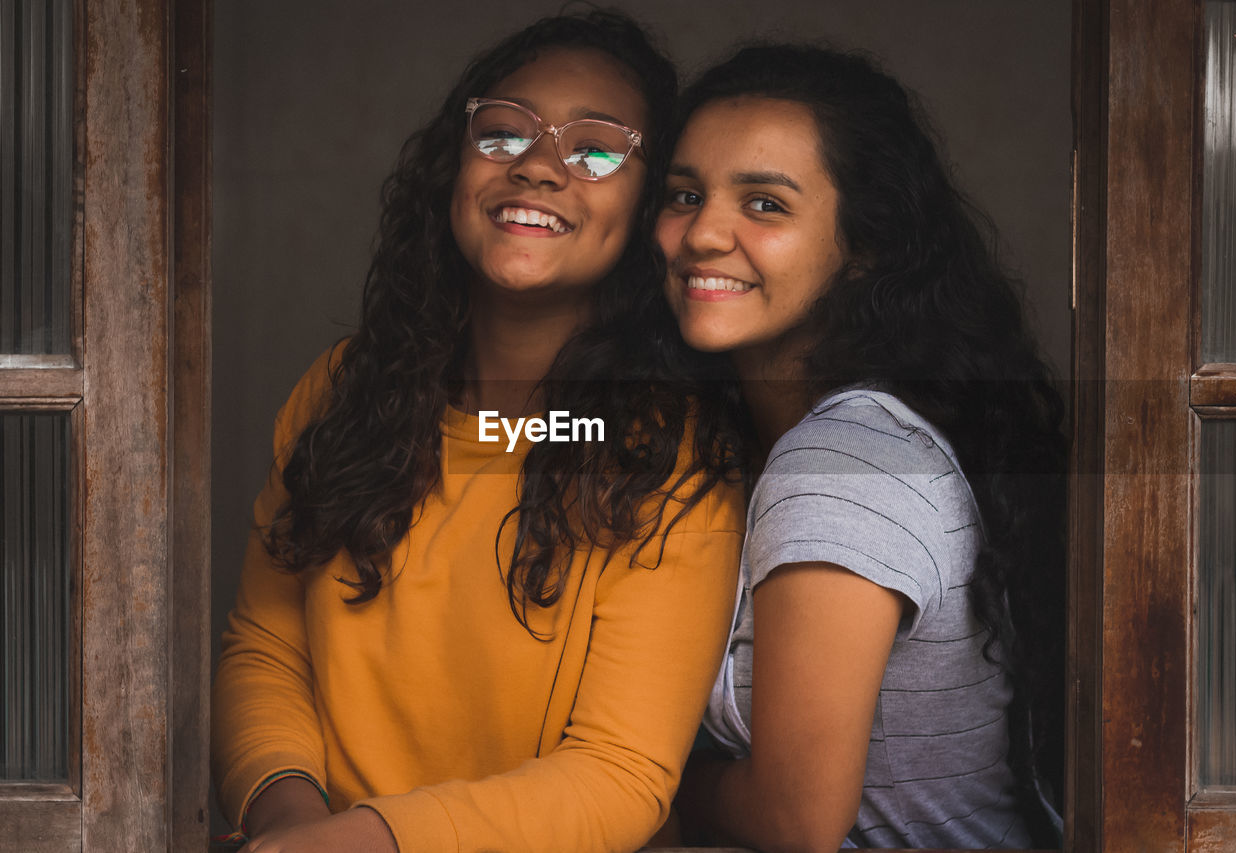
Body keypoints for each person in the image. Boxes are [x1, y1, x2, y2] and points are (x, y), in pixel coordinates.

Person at [211, 11, 745, 853]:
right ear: (451, 169)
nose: (537, 166)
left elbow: (619, 773)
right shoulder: (341, 392)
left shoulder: (672, 456)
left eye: (597, 149)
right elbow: (266, 649)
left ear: (650, 209)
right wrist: (289, 822)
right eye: (503, 134)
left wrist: (360, 844)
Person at [655, 44, 1067, 850]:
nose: (703, 231)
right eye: (684, 194)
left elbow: (798, 819)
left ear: (862, 249)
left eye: (765, 204)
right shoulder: (818, 439)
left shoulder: (843, 462)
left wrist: (645, 790)